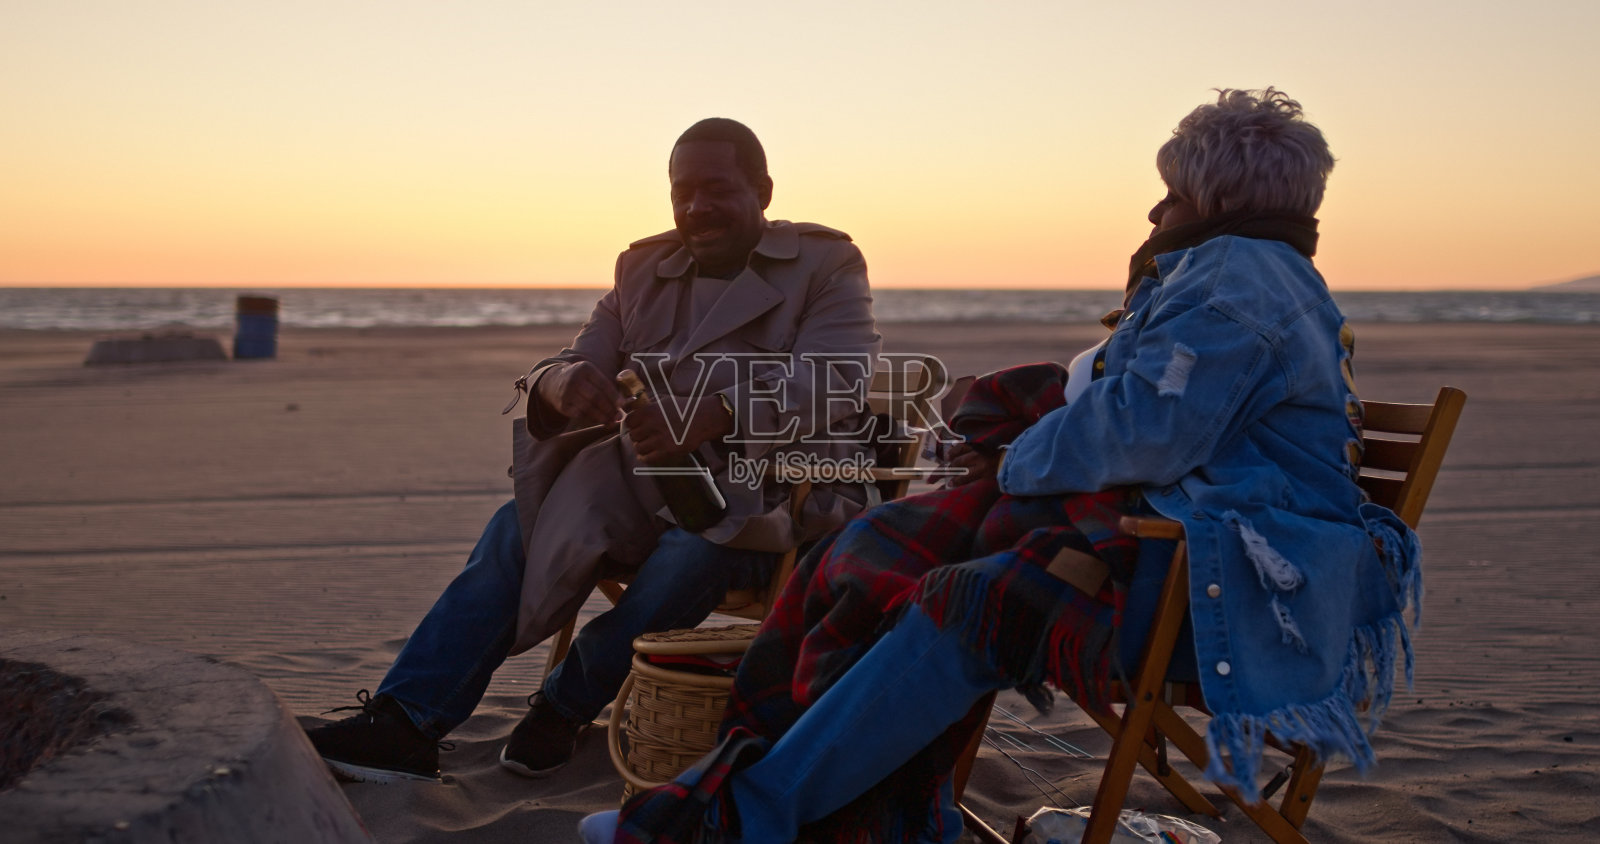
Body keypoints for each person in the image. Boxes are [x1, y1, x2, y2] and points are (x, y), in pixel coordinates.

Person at [581, 89, 1423, 843]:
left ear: (1217, 195)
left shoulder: (1239, 279)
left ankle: (747, 820)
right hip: (1184, 544)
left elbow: (1140, 432)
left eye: (1175, 188)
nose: (1158, 205)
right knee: (880, 549)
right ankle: (875, 814)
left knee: (968, 602)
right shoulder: (1238, 270)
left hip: (1206, 591)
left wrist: (1018, 457)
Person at [306, 117, 882, 783]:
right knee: (514, 528)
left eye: (717, 189)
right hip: (648, 485)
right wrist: (560, 385)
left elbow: (841, 379)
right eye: (682, 191)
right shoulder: (641, 267)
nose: (697, 207)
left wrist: (716, 413)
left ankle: (565, 702)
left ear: (763, 190)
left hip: (777, 503)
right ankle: (407, 720)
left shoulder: (827, 263)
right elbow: (574, 359)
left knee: (693, 552)